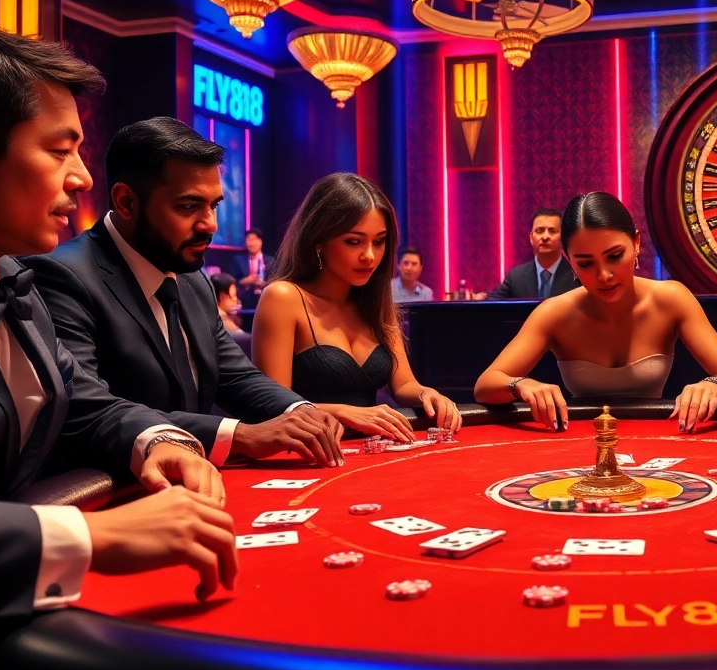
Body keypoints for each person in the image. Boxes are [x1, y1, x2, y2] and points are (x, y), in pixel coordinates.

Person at [0, 20, 236, 630]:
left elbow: (84, 403)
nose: (80, 177)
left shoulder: (12, 283)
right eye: (58, 150)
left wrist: (161, 441)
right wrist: (89, 535)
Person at [25, 118, 347, 469]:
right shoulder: (63, 275)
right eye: (188, 206)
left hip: (197, 480)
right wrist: (240, 435)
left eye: (214, 205)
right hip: (116, 492)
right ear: (126, 202)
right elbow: (86, 405)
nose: (210, 223)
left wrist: (300, 412)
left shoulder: (193, 278)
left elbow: (235, 376)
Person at [475, 191, 717, 432]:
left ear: (636, 243)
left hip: (658, 436)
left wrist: (713, 385)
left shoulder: (671, 298)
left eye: (614, 256)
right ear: (569, 260)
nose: (604, 275)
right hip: (579, 442)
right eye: (585, 264)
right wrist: (521, 385)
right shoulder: (555, 313)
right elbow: (486, 385)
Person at [252, 173, 461, 439]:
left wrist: (426, 393)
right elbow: (271, 407)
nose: (370, 256)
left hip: (371, 450)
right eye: (354, 241)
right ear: (319, 242)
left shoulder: (376, 302)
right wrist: (343, 411)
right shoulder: (283, 297)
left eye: (379, 241)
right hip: (307, 453)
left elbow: (404, 383)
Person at [488, 207, 579, 299]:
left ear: (563, 237)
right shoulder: (516, 276)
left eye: (552, 231)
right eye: (540, 230)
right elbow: (491, 304)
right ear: (531, 237)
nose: (545, 237)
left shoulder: (576, 274)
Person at [231, 228, 273, 309]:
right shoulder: (237, 260)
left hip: (266, 300)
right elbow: (231, 280)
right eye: (248, 240)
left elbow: (275, 281)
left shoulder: (271, 261)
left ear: (260, 241)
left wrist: (263, 283)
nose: (251, 243)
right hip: (244, 301)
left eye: (254, 240)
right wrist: (244, 281)